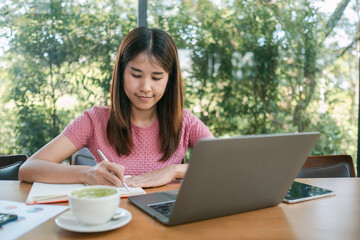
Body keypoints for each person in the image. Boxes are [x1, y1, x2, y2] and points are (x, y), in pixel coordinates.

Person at [19, 27, 213, 188]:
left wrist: (174, 170)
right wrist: (87, 174)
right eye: (136, 75)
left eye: (156, 77)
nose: (145, 87)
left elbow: (229, 167)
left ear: (169, 80)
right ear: (121, 73)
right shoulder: (95, 120)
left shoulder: (185, 122)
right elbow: (29, 168)